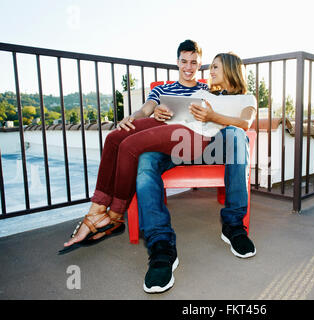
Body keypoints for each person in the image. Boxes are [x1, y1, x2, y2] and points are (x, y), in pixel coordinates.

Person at [59, 40, 209, 254]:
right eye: (184, 61)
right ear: (177, 62)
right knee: (113, 138)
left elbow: (213, 119)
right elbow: (145, 111)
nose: (188, 67)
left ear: (200, 64)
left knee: (129, 145)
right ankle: (98, 208)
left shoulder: (207, 90)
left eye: (194, 62)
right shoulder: (163, 90)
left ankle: (115, 215)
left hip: (187, 140)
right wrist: (131, 117)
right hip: (159, 137)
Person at [138, 52, 257, 294]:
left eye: (215, 67)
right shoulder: (202, 94)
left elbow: (246, 124)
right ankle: (161, 245)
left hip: (217, 149)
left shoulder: (248, 98)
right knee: (146, 159)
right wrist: (161, 114)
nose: (209, 71)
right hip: (184, 145)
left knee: (236, 134)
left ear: (231, 70)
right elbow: (181, 117)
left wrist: (213, 116)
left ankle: (233, 226)